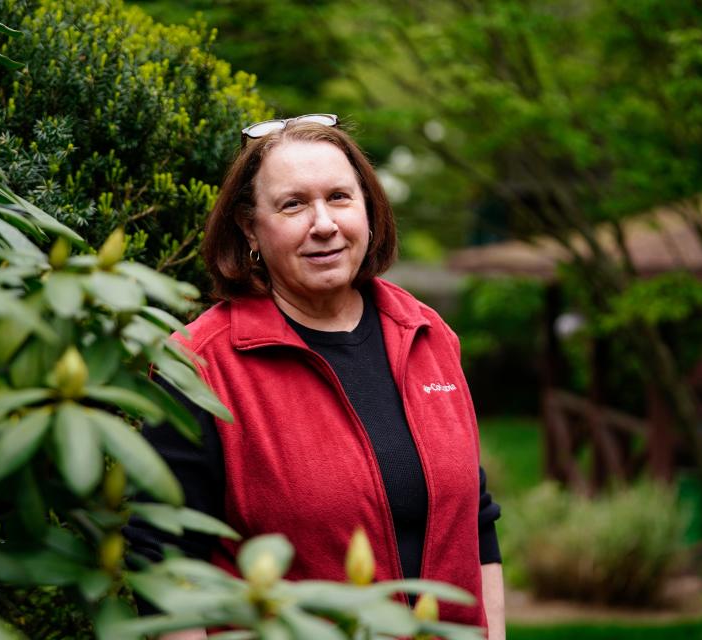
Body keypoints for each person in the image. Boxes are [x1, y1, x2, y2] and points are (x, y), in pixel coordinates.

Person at [127, 114, 504, 639]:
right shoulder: (201, 364)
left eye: (340, 197)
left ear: (368, 212)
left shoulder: (427, 335)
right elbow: (164, 561)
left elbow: (476, 525)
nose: (323, 223)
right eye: (293, 204)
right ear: (249, 227)